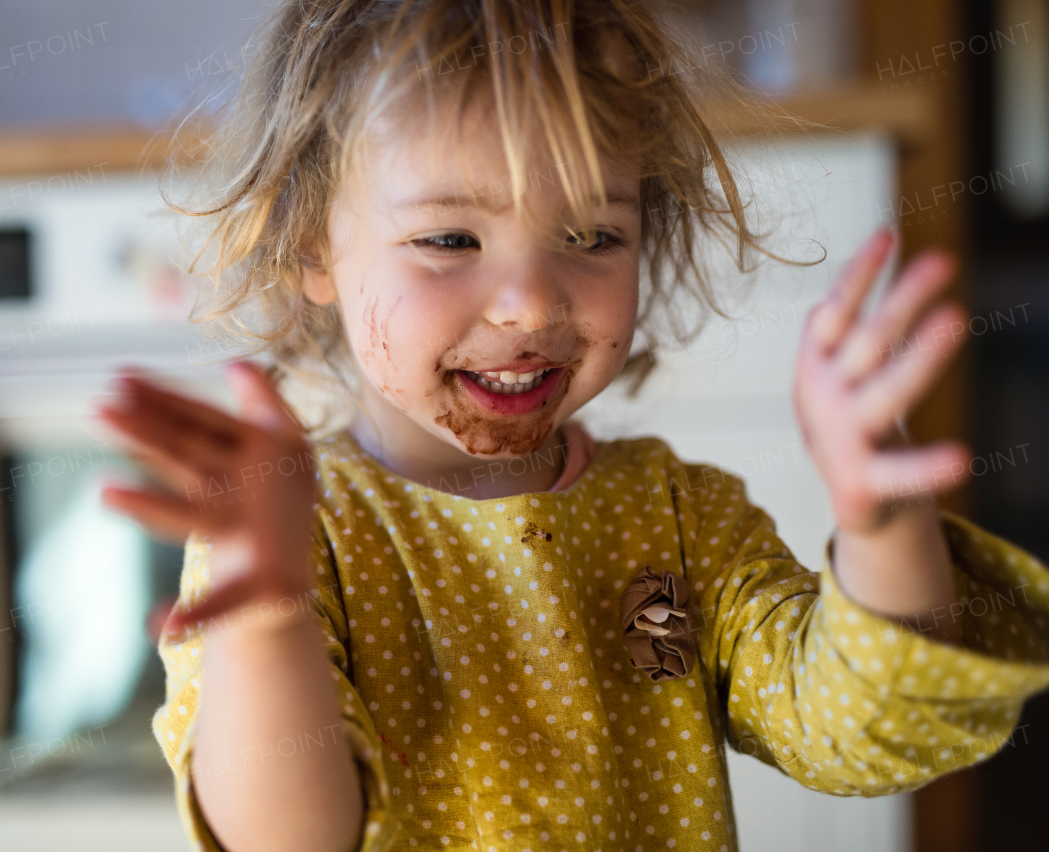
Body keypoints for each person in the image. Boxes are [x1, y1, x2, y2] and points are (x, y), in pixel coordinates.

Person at [96, 2, 1049, 851]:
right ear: (313, 247)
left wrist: (885, 528)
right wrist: (267, 618)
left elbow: (865, 734)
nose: (527, 302)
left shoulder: (679, 516)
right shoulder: (292, 538)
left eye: (592, 237)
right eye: (449, 240)